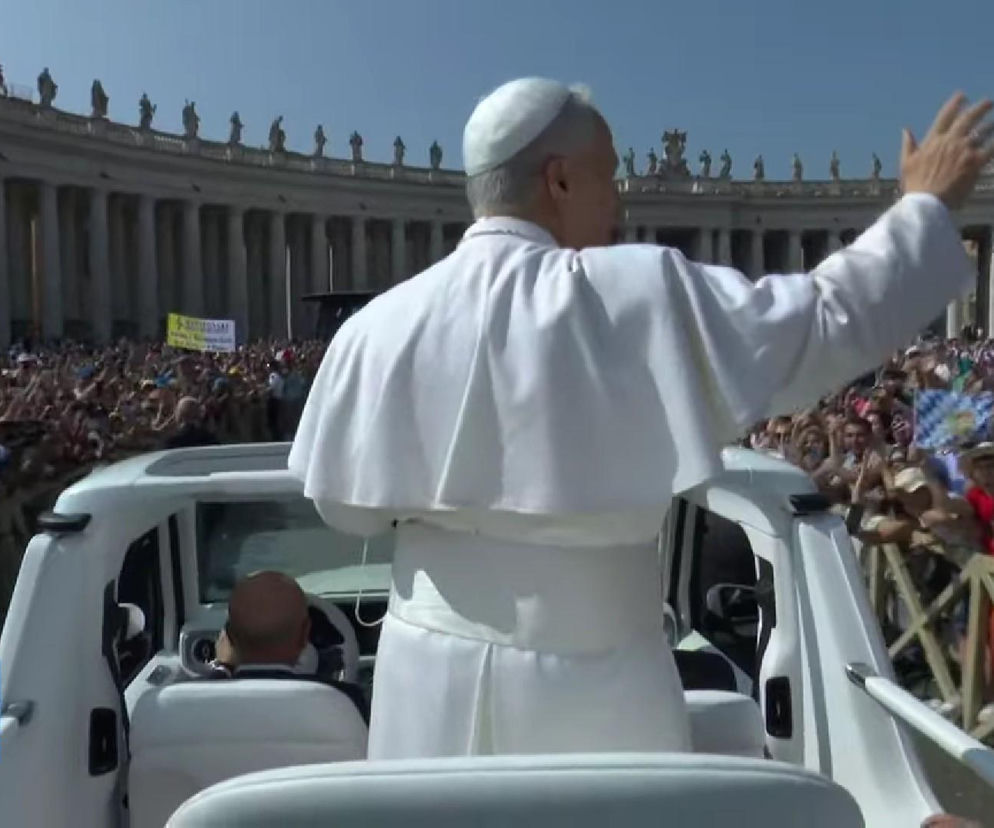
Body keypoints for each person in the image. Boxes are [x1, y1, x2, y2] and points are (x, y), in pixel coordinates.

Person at [289, 79, 991, 760]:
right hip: (596, 685)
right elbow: (824, 320)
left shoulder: (373, 328)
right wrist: (924, 209)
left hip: (423, 683)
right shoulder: (635, 291)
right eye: (611, 174)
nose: (620, 197)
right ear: (559, 180)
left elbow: (342, 508)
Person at [209, 570, 368, 723]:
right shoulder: (347, 703)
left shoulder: (194, 701)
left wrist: (221, 669)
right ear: (305, 634)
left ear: (228, 636)